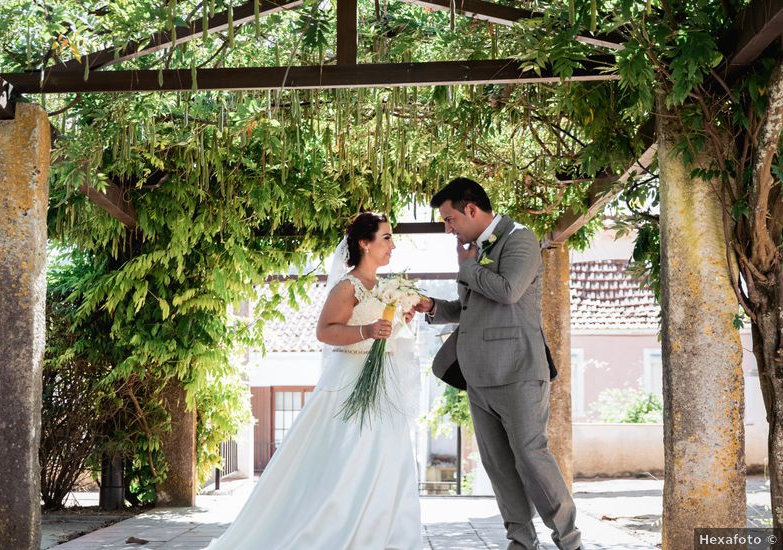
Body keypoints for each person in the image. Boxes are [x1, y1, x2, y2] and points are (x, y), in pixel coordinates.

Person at [206, 212, 422, 550]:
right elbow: (325, 332)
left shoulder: (383, 288)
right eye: (386, 238)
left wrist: (398, 320)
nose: (393, 245)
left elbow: (385, 336)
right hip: (348, 380)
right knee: (346, 460)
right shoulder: (346, 287)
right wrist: (366, 330)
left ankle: (381, 532)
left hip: (382, 384)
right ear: (365, 243)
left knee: (387, 456)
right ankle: (333, 527)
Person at [413, 177, 582, 550]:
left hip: (519, 371)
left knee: (531, 457)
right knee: (498, 465)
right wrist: (435, 308)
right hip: (478, 375)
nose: (448, 228)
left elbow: (508, 291)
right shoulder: (472, 251)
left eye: (449, 219)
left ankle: (569, 540)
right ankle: (521, 540)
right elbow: (473, 307)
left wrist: (468, 267)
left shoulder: (519, 238)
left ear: (470, 209)